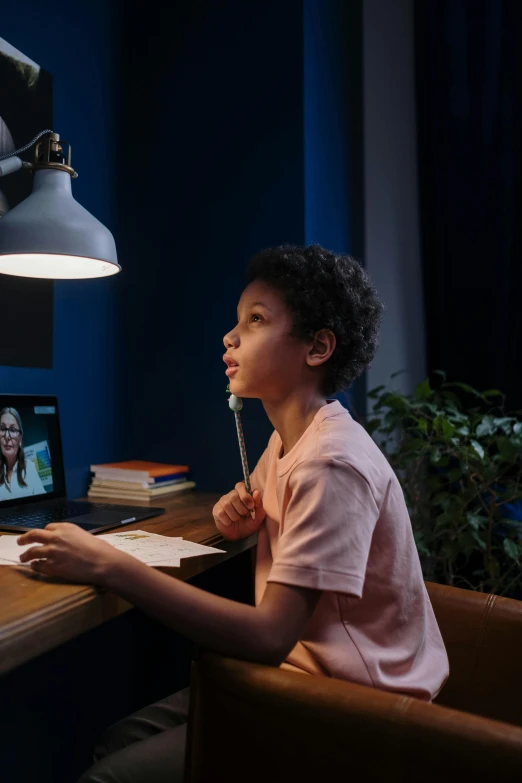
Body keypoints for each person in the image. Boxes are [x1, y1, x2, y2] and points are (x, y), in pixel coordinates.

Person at [17, 244, 450, 782]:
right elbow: (278, 510)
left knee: (107, 777)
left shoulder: (332, 462)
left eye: (256, 319)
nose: (230, 335)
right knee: (118, 740)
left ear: (317, 347)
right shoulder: (291, 440)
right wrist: (238, 516)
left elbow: (269, 636)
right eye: (237, 320)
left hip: (354, 709)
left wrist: (109, 564)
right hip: (305, 678)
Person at [0, 407, 46, 500]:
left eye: (13, 430)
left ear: (20, 439)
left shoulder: (30, 468)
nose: (7, 436)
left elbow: (44, 506)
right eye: (2, 428)